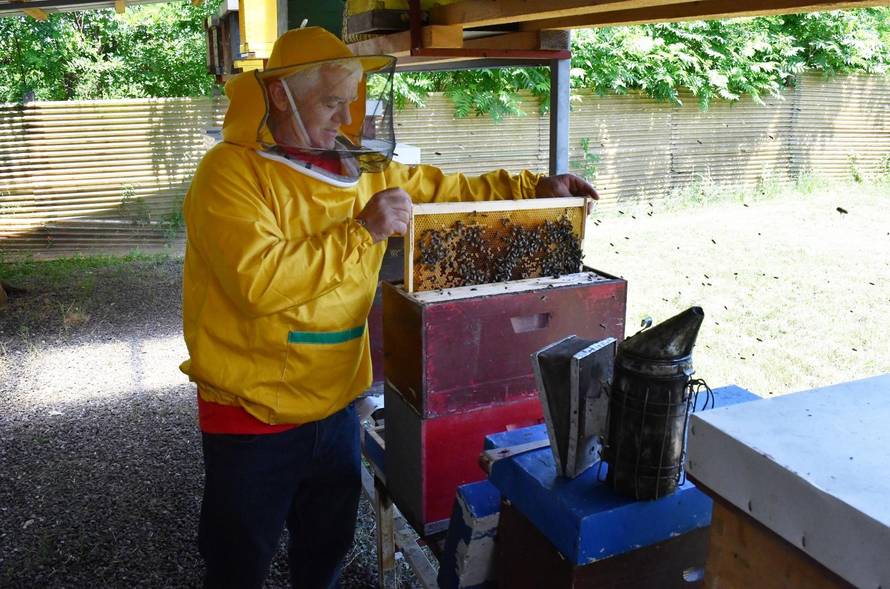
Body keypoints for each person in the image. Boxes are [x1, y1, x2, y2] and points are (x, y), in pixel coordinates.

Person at [180, 26, 597, 589]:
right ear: (279, 95)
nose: (346, 116)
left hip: (333, 404)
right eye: (331, 101)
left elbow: (445, 192)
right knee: (239, 562)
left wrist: (533, 188)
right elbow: (259, 285)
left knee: (323, 552)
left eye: (350, 100)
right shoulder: (229, 175)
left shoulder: (356, 167)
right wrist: (362, 232)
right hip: (251, 415)